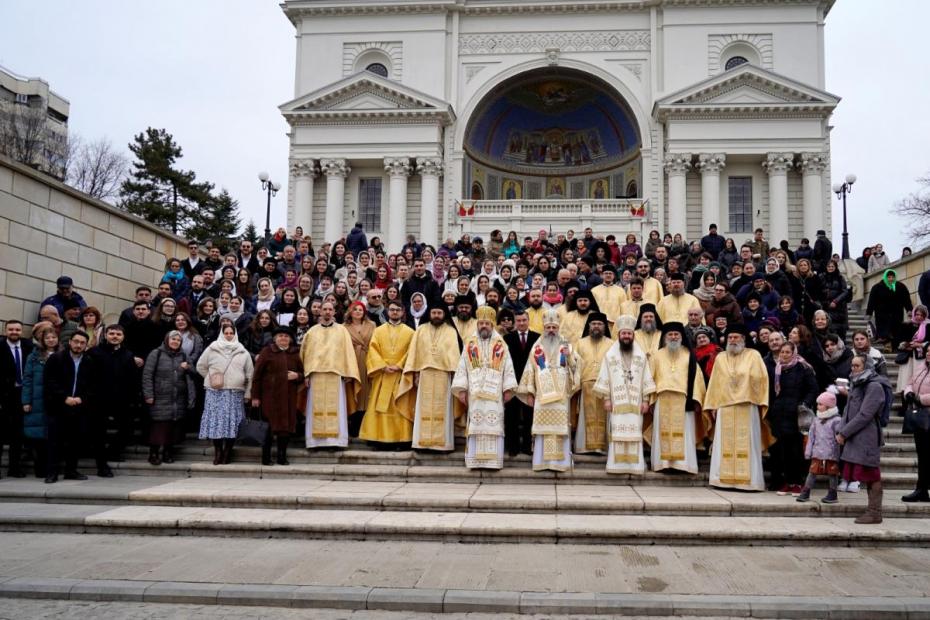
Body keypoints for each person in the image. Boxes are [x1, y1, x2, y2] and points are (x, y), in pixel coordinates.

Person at [703, 326, 772, 491]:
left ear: (743, 338)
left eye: (736, 337)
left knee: (747, 442)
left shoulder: (753, 355)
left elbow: (761, 379)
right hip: (725, 406)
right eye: (730, 337)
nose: (733, 340)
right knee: (724, 444)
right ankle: (722, 480)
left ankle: (750, 482)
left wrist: (744, 388)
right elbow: (715, 382)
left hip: (747, 406)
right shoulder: (720, 357)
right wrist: (713, 404)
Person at [452, 306, 518, 469]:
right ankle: (475, 460)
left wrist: (508, 388)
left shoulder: (501, 344)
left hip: (495, 393)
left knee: (493, 424)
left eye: (487, 324)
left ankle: (493, 462)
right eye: (481, 323)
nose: (483, 326)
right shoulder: (470, 343)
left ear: (492, 325)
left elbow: (508, 367)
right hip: (475, 393)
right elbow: (462, 366)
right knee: (476, 424)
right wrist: (461, 388)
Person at [592, 315, 656, 474]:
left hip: (636, 404)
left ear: (633, 335)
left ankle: (635, 466)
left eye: (629, 333)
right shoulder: (610, 355)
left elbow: (646, 378)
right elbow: (605, 376)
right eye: (623, 334)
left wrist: (646, 400)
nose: (626, 336)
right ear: (619, 335)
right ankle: (616, 465)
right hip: (617, 403)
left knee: (635, 434)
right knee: (618, 433)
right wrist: (606, 399)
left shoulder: (641, 356)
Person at [646, 322, 708, 474]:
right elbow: (649, 378)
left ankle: (683, 465)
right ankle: (663, 464)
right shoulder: (657, 355)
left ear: (681, 337)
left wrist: (696, 399)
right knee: (662, 432)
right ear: (665, 337)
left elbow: (697, 379)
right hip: (662, 399)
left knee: (684, 433)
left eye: (676, 334)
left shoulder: (689, 355)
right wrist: (649, 400)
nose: (673, 337)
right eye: (670, 335)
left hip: (683, 400)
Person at [398, 304, 461, 451]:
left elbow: (453, 355)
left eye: (439, 312)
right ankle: (421, 443)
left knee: (443, 409)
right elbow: (414, 352)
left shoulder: (451, 331)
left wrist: (454, 376)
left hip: (444, 375)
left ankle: (443, 445)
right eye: (434, 312)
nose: (437, 315)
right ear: (429, 313)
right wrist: (415, 372)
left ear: (444, 314)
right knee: (423, 408)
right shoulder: (420, 330)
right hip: (424, 375)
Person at [301, 301, 361, 449]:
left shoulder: (341, 330)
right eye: (324, 309)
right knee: (315, 408)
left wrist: (348, 372)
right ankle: (315, 442)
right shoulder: (312, 332)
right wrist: (306, 375)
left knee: (337, 409)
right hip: (316, 376)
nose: (327, 312)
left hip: (336, 375)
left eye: (330, 309)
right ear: (320, 312)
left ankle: (336, 441)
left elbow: (348, 352)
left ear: (334, 312)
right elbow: (305, 354)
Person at [836, 354, 886, 523]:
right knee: (867, 474)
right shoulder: (857, 384)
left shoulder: (874, 386)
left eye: (857, 366)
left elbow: (865, 415)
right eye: (852, 365)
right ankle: (872, 511)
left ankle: (875, 512)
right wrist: (841, 429)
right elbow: (848, 411)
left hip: (867, 437)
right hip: (855, 436)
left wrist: (844, 433)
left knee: (872, 473)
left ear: (867, 367)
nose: (853, 368)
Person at [360, 301, 416, 447]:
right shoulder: (378, 331)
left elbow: (412, 351)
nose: (395, 312)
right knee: (380, 406)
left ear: (403, 312)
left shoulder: (410, 332)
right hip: (383, 374)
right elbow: (372, 350)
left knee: (399, 405)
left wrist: (399, 365)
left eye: (398, 310)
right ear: (387, 312)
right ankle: (379, 439)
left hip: (400, 375)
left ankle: (401, 439)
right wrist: (383, 366)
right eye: (392, 310)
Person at [197, 321, 253, 465]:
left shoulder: (242, 351)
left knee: (231, 423)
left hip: (235, 393)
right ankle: (218, 452)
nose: (229, 336)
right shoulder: (212, 348)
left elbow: (250, 374)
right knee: (216, 423)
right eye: (226, 333)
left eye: (231, 333)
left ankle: (228, 451)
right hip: (215, 392)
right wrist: (211, 379)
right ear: (222, 334)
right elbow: (201, 366)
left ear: (235, 334)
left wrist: (247, 393)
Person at [43, 330, 94, 484]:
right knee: (54, 441)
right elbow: (49, 382)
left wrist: (81, 398)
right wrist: (64, 398)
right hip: (58, 406)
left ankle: (71, 471)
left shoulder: (90, 361)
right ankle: (52, 472)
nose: (78, 345)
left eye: (82, 343)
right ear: (70, 342)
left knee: (75, 441)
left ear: (86, 345)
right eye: (76, 341)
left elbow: (94, 384)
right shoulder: (56, 359)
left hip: (79, 407)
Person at [767, 341, 818, 495]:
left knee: (796, 450)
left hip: (797, 415)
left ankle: (797, 482)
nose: (784, 355)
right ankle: (787, 482)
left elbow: (812, 389)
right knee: (782, 450)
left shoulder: (803, 368)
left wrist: (804, 404)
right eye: (782, 352)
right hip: (779, 414)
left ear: (793, 352)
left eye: (787, 352)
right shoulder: (777, 369)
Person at [86, 324, 137, 471]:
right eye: (112, 333)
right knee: (99, 432)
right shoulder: (94, 352)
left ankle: (113, 452)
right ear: (106, 335)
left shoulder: (128, 355)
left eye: (118, 334)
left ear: (123, 337)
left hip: (121, 400)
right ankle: (101, 464)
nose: (115, 336)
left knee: (126, 428)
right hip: (98, 399)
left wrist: (133, 398)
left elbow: (132, 378)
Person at [142, 331, 196, 466]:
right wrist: (148, 395)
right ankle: (153, 453)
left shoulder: (183, 355)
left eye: (178, 340)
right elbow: (147, 375)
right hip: (160, 396)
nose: (175, 342)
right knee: (159, 425)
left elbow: (194, 372)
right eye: (173, 339)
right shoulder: (156, 353)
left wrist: (188, 367)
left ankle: (167, 452)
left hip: (178, 398)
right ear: (167, 339)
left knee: (174, 426)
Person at [252, 327, 303, 466]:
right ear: (275, 338)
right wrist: (255, 396)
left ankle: (282, 456)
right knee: (269, 427)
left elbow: (303, 374)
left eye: (286, 336)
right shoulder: (267, 352)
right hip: (270, 397)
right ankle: (266, 457)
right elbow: (257, 376)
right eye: (280, 336)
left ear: (290, 339)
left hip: (288, 397)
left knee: (285, 428)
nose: (283, 338)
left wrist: (297, 376)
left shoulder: (295, 353)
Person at [573, 313, 613, 455]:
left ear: (604, 327)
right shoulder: (580, 343)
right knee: (585, 417)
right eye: (593, 324)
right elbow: (574, 365)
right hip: (586, 384)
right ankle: (585, 447)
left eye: (599, 324)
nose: (596, 326)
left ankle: (602, 448)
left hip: (605, 386)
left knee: (605, 417)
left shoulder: (611, 343)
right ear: (589, 326)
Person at [502, 310, 540, 457]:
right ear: (514, 322)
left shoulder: (537, 338)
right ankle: (513, 447)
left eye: (524, 320)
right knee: (511, 416)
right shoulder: (507, 338)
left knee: (530, 415)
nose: (522, 323)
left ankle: (526, 446)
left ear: (528, 320)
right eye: (518, 321)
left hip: (530, 383)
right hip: (513, 382)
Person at [21, 326, 55, 478]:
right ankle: (40, 469)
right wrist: (26, 401)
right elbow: (27, 379)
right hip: (37, 400)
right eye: (47, 337)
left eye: (53, 337)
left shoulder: (63, 354)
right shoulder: (33, 356)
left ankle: (51, 468)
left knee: (53, 436)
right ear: (42, 340)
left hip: (55, 401)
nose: (51, 340)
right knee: (38, 437)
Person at [796, 391, 843, 504]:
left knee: (832, 474)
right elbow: (811, 437)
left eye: (820, 404)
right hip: (817, 452)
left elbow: (839, 436)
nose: (818, 406)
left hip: (831, 453)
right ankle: (806, 492)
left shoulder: (836, 421)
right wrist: (808, 451)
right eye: (818, 404)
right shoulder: (816, 420)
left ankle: (833, 493)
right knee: (812, 472)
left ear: (828, 406)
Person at [1, 320, 32, 477]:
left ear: (22, 331)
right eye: (11, 329)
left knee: (17, 435)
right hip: (4, 396)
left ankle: (14, 468)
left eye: (17, 329)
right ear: (5, 330)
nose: (14, 332)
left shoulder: (28, 347)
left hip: (22, 394)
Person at [902, 347, 930, 502]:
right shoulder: (921, 367)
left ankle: (923, 488)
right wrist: (909, 393)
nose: (928, 354)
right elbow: (909, 383)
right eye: (927, 351)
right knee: (922, 454)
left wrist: (921, 398)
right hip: (920, 416)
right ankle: (922, 489)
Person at [865, 269, 913, 348]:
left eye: (893, 277)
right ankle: (887, 346)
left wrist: (909, 310)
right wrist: (869, 313)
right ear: (885, 277)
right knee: (885, 333)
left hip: (896, 313)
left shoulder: (900, 286)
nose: (891, 279)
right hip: (882, 315)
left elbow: (906, 299)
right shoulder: (877, 287)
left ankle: (894, 347)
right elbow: (871, 301)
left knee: (896, 331)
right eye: (889, 277)